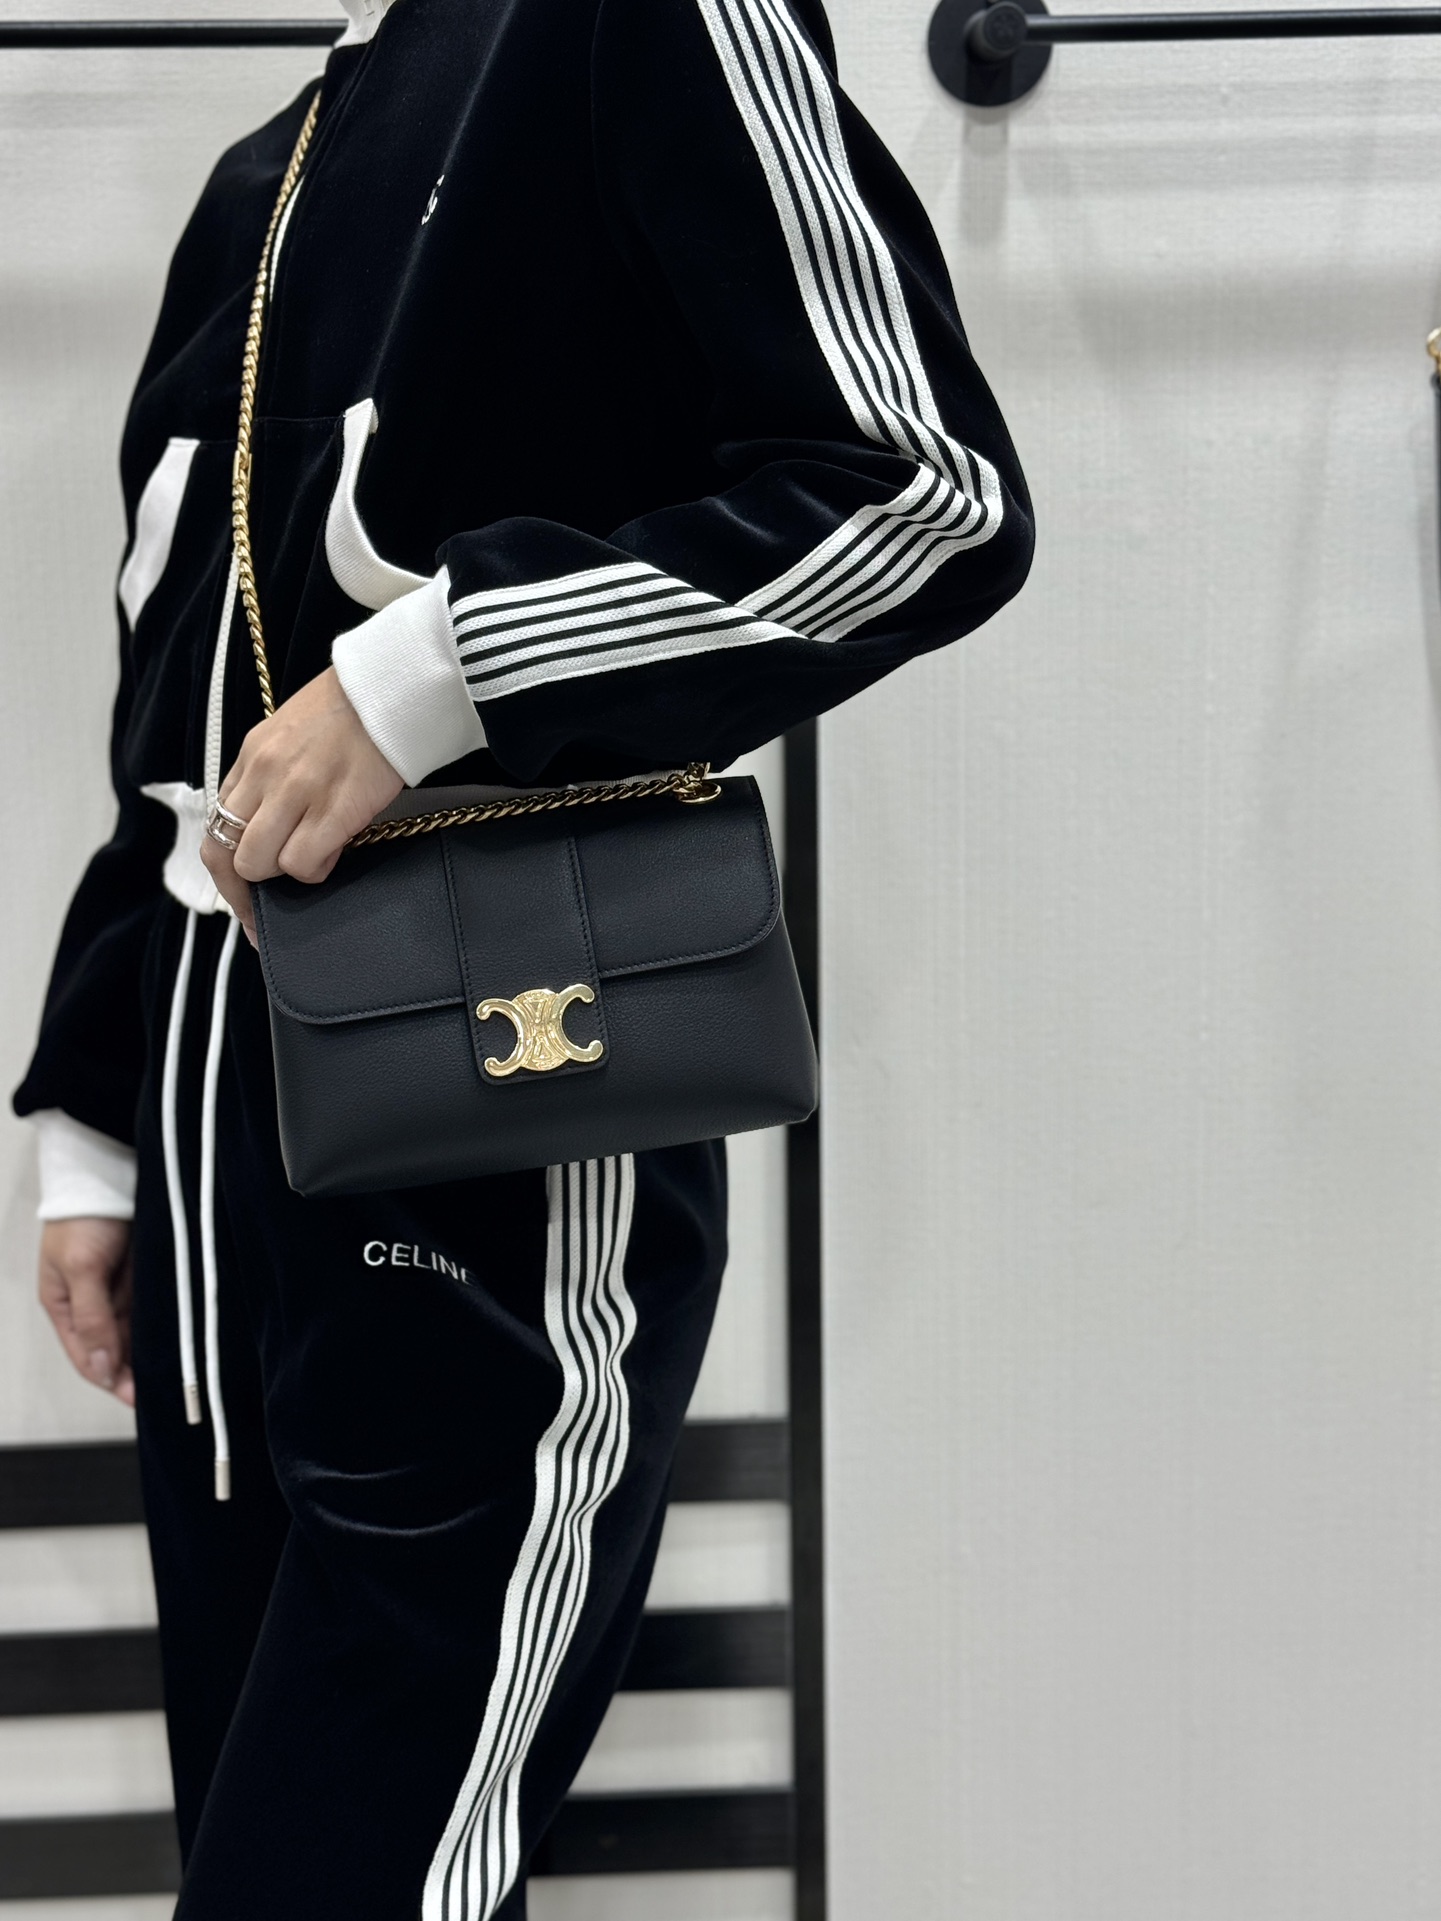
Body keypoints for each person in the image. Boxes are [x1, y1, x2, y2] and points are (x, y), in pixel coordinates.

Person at [13, 0, 1033, 1911]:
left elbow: (920, 497)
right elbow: (178, 688)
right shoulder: (266, 165)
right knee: (258, 1826)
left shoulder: (634, 22)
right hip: (214, 1103)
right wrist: (97, 1120)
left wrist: (447, 668)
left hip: (489, 1047)